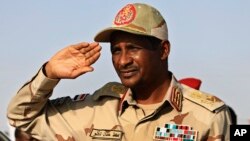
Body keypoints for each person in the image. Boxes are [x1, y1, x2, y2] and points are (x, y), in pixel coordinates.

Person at [7, 3, 232, 141]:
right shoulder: (95, 110)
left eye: (133, 48)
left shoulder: (209, 115)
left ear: (163, 50)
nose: (122, 61)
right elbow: (21, 116)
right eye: (116, 51)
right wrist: (49, 74)